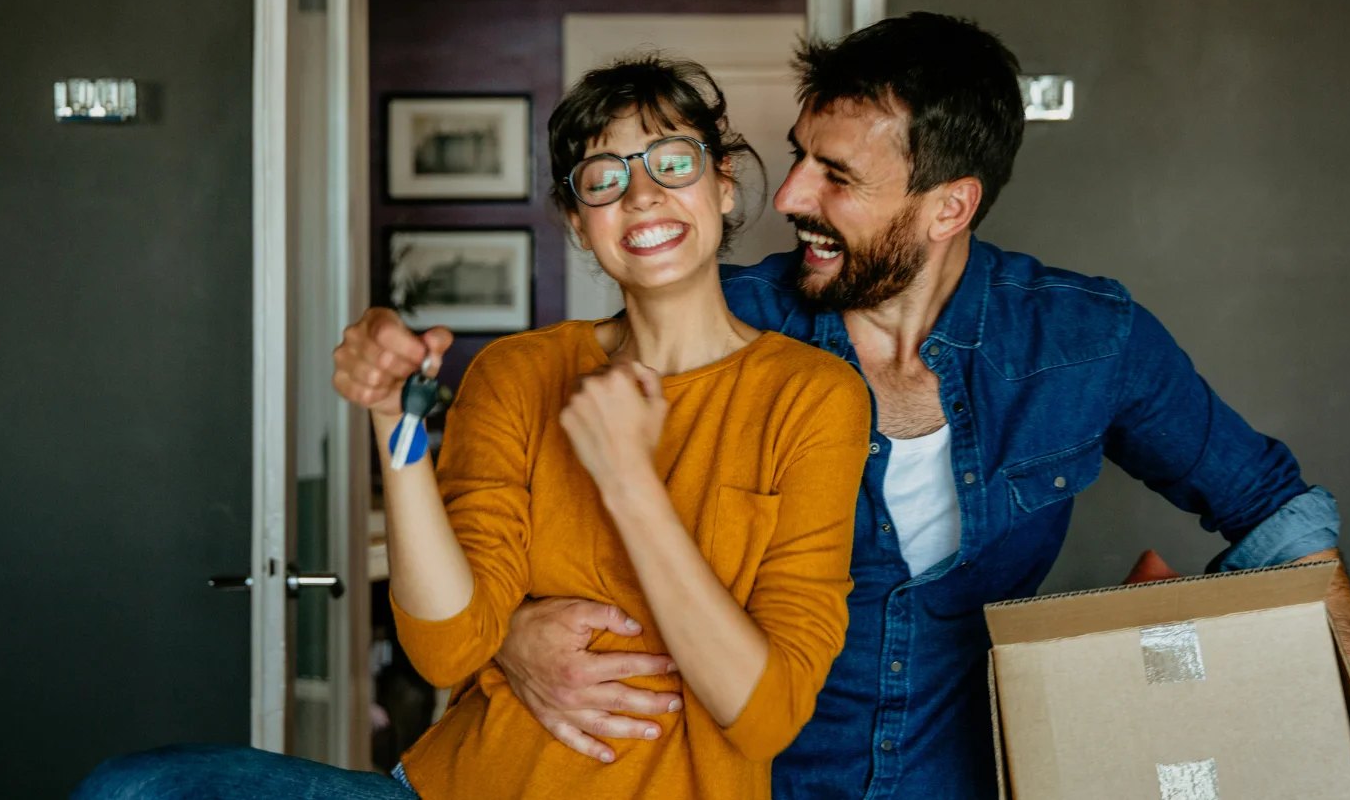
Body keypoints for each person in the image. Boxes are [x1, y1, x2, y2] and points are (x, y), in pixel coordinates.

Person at [340, 13, 1350, 800]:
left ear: (947, 205)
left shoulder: (1084, 339)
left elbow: (1268, 502)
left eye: (832, 175)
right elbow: (534, 540)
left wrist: (1347, 708)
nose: (790, 197)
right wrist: (505, 634)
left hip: (966, 779)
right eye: (795, 158)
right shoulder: (732, 328)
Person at [73, 56, 871, 800]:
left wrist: (630, 482)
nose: (641, 197)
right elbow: (447, 648)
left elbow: (766, 715)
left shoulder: (814, 397)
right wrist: (397, 425)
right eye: (603, 177)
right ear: (575, 218)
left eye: (671, 161)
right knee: (133, 787)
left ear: (723, 184)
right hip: (459, 783)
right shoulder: (516, 373)